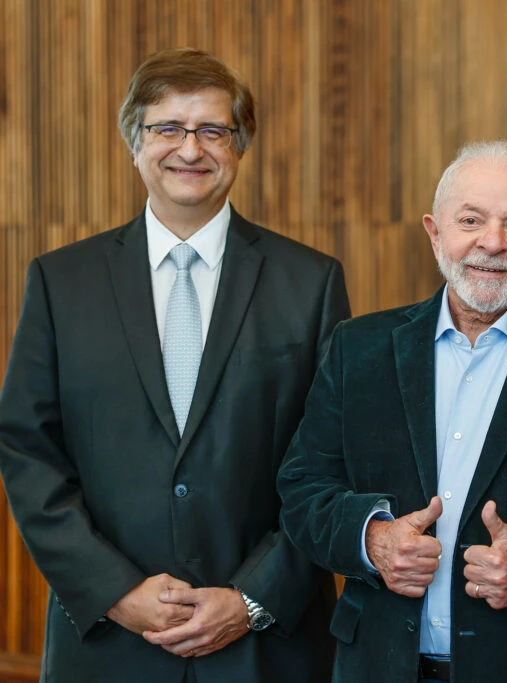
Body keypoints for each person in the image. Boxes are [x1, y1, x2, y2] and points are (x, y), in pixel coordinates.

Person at [0, 48, 349, 682]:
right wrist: (114, 590)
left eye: (212, 130)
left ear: (239, 147)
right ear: (135, 143)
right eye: (168, 128)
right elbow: (27, 450)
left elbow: (333, 459)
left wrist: (251, 600)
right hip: (106, 646)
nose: (190, 149)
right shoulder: (61, 282)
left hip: (266, 649)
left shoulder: (311, 283)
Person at [277, 140, 507, 683]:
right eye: (470, 220)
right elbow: (302, 488)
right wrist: (370, 540)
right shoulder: (358, 347)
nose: (492, 242)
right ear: (435, 233)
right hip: (380, 667)